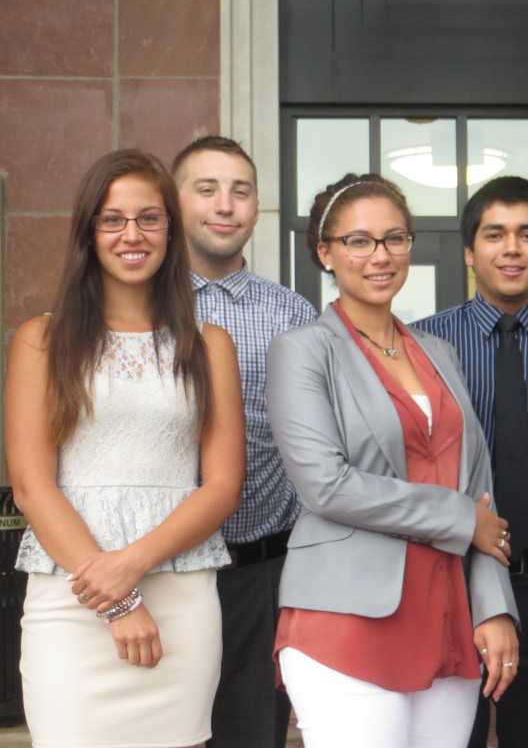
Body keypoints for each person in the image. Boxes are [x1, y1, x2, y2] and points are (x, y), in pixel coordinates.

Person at [265, 173, 519, 747]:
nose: (380, 256)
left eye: (394, 238)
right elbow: (326, 486)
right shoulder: (302, 350)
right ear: (325, 253)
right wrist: (459, 520)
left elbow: (480, 490)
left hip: (448, 614)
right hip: (346, 617)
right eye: (359, 241)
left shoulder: (440, 352)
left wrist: (495, 607)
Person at [5, 149, 245, 746]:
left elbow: (221, 485)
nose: (131, 235)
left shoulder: (209, 345)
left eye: (148, 218)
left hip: (181, 601)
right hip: (72, 601)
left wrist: (131, 568)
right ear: (90, 232)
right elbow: (33, 486)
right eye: (112, 220)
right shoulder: (42, 339)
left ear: (170, 227)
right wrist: (116, 600)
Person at [413, 176, 528, 748]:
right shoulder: (421, 348)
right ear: (470, 251)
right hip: (448, 582)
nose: (512, 248)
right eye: (494, 235)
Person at [172, 135, 317, 748]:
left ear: (258, 208)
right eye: (206, 189)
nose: (225, 205)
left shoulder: (293, 315)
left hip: (259, 572)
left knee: (251, 734)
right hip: (160, 570)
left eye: (241, 191)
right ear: (174, 202)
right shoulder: (132, 308)